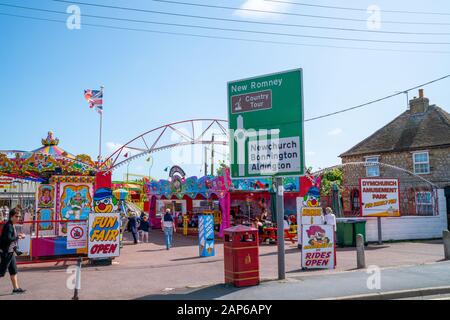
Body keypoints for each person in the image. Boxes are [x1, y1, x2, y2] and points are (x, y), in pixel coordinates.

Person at [0, 208, 26, 294]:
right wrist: (18, 237)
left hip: (10, 252)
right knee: (1, 272)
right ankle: (16, 288)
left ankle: (16, 288)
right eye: (16, 216)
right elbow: (7, 239)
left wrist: (16, 250)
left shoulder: (12, 225)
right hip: (6, 252)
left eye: (19, 216)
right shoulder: (8, 226)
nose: (18, 218)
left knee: (13, 271)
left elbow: (11, 240)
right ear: (11, 216)